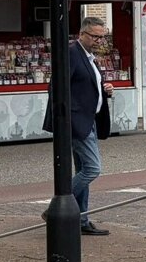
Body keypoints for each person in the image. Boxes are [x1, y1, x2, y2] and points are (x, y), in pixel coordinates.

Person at [43, 16, 114, 237]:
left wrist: (105, 90)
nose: (98, 41)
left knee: (84, 170)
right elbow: (56, 87)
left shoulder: (89, 56)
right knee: (93, 169)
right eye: (94, 36)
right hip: (77, 123)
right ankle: (55, 208)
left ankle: (81, 219)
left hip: (88, 121)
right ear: (81, 33)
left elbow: (85, 86)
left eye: (102, 38)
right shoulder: (73, 53)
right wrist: (69, 119)